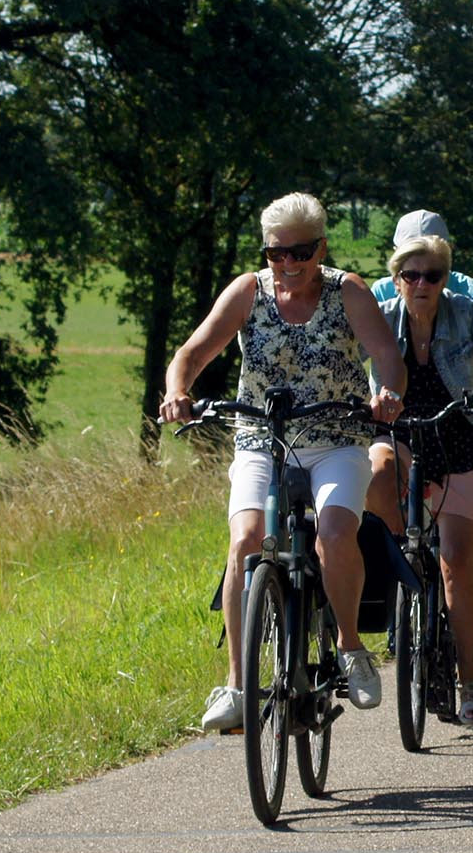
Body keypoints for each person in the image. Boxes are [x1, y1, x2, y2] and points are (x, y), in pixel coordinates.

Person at [161, 192, 406, 732]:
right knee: (245, 541)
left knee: (337, 532)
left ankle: (349, 646)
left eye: (300, 252)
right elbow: (192, 353)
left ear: (320, 248)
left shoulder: (349, 293)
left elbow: (387, 356)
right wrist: (179, 391)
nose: (288, 265)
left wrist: (387, 392)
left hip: (337, 435)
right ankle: (236, 685)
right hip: (261, 437)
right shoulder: (248, 291)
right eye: (277, 254)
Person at [366, 234, 473, 727]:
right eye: (411, 276)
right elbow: (344, 354)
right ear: (396, 281)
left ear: (444, 280)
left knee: (458, 558)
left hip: (460, 434)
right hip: (397, 431)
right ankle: (400, 556)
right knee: (376, 476)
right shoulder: (378, 311)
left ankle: (466, 675)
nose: (421, 284)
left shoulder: (464, 310)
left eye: (432, 275)